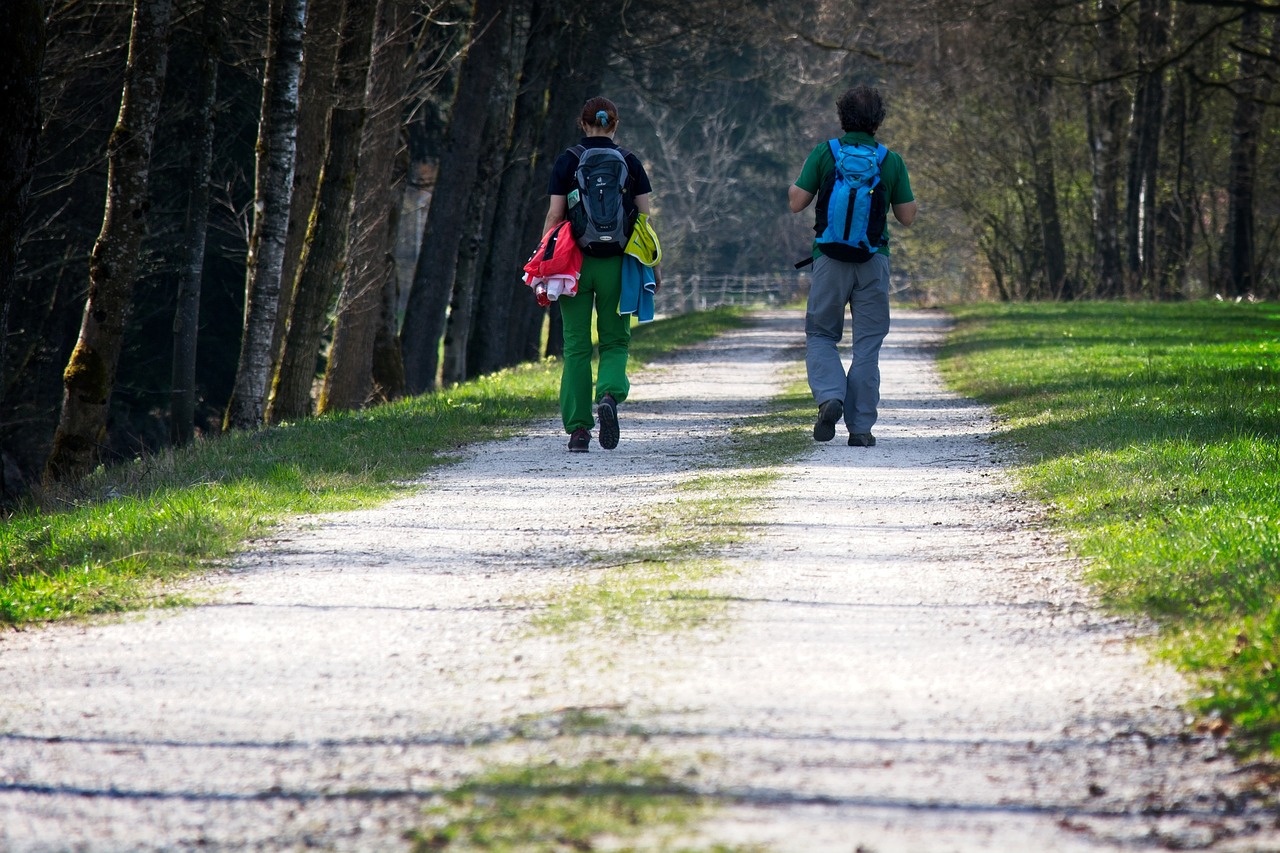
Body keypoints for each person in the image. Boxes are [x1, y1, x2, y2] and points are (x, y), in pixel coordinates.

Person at [788, 85, 916, 447]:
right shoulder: (890, 160)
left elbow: (796, 202)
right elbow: (906, 217)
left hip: (829, 259)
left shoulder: (825, 153)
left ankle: (831, 396)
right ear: (878, 120)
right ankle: (860, 429)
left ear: (842, 117)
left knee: (821, 335)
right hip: (873, 259)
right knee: (867, 346)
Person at [542, 96, 657, 453]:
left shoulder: (568, 160)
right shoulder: (630, 162)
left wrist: (545, 263)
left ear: (583, 123)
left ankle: (578, 431)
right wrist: (651, 266)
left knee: (576, 346)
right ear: (614, 125)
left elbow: (555, 216)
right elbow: (643, 220)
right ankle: (608, 394)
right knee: (615, 340)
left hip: (574, 264)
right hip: (617, 264)